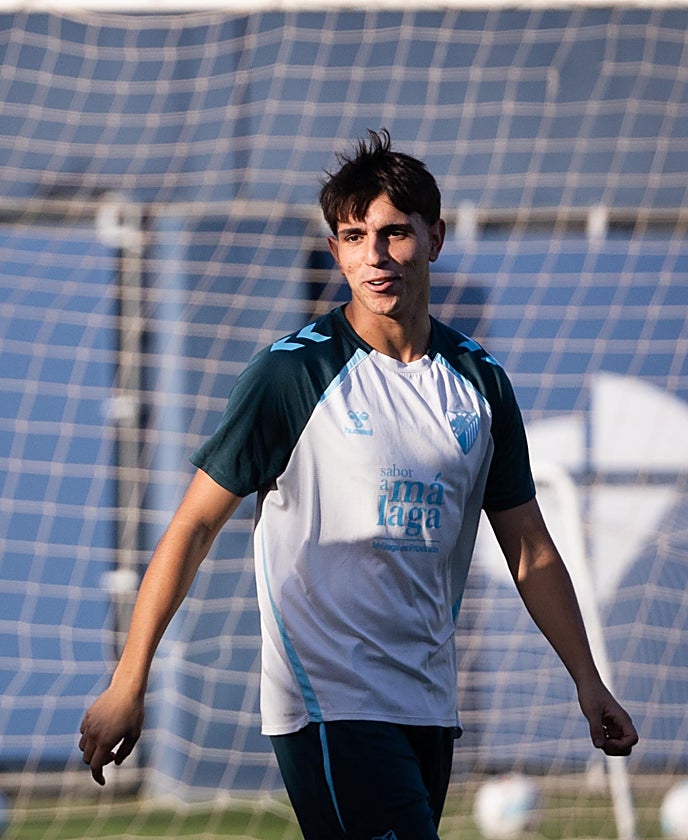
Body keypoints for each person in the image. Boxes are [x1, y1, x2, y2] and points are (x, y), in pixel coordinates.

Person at [78, 130, 637, 838]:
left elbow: (530, 548)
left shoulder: (481, 382)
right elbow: (191, 527)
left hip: (430, 705)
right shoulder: (290, 375)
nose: (374, 254)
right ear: (337, 250)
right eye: (353, 235)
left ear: (434, 238)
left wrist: (588, 682)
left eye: (395, 232)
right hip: (328, 704)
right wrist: (130, 681)